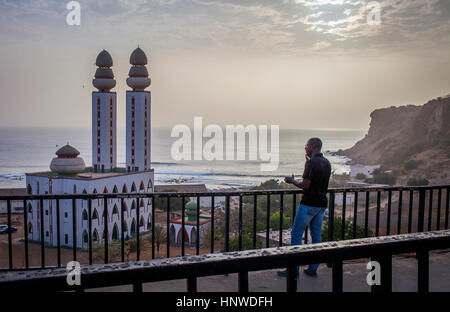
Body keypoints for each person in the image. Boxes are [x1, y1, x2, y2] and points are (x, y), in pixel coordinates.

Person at [278, 137, 331, 278]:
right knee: (316, 235)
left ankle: (293, 269)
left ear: (313, 146)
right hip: (321, 204)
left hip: (309, 203)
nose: (305, 148)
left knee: (296, 234)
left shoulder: (311, 162)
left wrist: (291, 181)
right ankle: (313, 268)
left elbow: (305, 185)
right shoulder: (326, 162)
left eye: (306, 145)